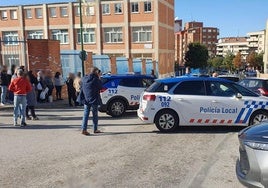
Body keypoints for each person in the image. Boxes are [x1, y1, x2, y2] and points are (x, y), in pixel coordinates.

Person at [81, 67, 102, 135]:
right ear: (96, 72)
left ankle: (84, 129)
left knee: (86, 114)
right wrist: (99, 79)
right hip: (94, 99)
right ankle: (95, 129)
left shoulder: (84, 78)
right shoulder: (95, 79)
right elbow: (100, 87)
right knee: (95, 114)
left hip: (86, 99)